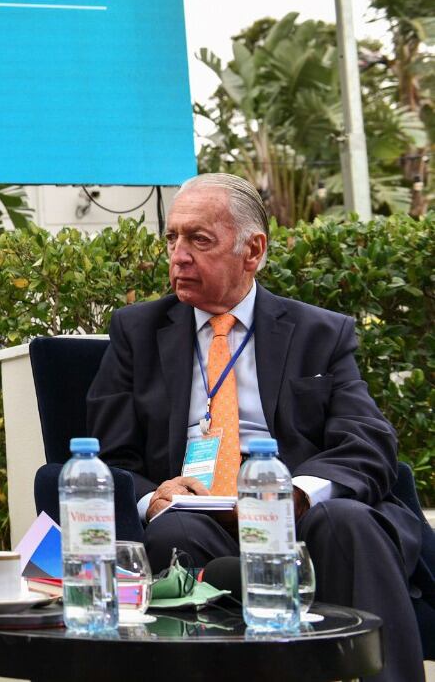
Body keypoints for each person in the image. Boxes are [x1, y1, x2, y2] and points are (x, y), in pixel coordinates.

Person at [87, 173, 423, 681]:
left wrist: (298, 495)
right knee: (173, 533)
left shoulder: (320, 334)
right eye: (172, 238)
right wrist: (154, 496)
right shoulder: (136, 332)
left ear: (253, 250)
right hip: (195, 515)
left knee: (347, 523)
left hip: (301, 517)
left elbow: (367, 439)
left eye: (199, 240)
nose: (178, 255)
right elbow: (109, 458)